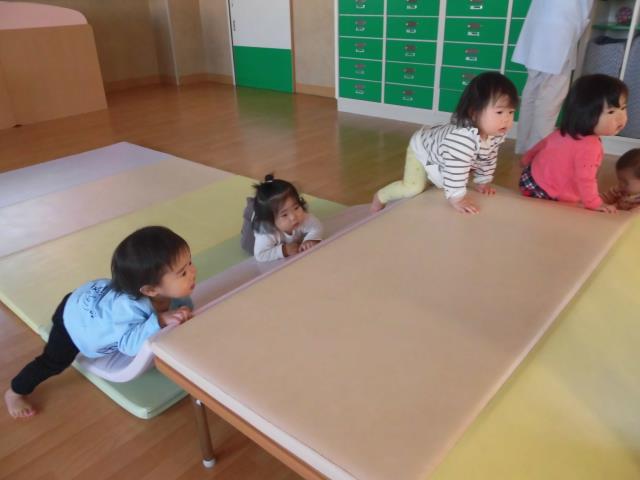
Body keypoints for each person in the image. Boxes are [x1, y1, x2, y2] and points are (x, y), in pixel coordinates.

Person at [5, 226, 196, 419]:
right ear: (150, 290)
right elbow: (129, 346)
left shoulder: (164, 292)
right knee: (53, 362)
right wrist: (160, 320)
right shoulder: (128, 310)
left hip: (86, 302)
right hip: (72, 323)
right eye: (183, 273)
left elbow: (182, 305)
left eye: (190, 263)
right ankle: (15, 392)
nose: (193, 271)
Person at [371, 72, 518, 214]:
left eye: (511, 112)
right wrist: (457, 199)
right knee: (413, 188)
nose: (506, 119)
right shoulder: (462, 140)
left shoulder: (495, 135)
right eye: (499, 112)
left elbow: (488, 159)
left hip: (440, 148)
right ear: (474, 113)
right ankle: (380, 197)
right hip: (423, 148)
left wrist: (483, 181)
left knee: (438, 181)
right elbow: (456, 171)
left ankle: (430, 175)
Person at [519, 74, 628, 212]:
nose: (621, 117)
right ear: (585, 113)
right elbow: (586, 179)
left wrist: (526, 159)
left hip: (530, 178)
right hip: (544, 192)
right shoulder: (590, 147)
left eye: (623, 108)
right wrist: (595, 203)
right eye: (611, 112)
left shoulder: (565, 131)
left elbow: (542, 145)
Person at [512, 0, 595, 154]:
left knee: (533, 91)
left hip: (541, 25)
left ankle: (524, 148)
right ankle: (536, 154)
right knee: (550, 100)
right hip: (561, 28)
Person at [250, 174, 323, 262]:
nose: (293, 217)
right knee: (248, 245)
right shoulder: (267, 233)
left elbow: (316, 226)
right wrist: (283, 250)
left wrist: (310, 239)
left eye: (296, 207)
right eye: (284, 215)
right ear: (271, 221)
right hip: (256, 221)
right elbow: (260, 255)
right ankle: (251, 204)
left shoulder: (302, 217)